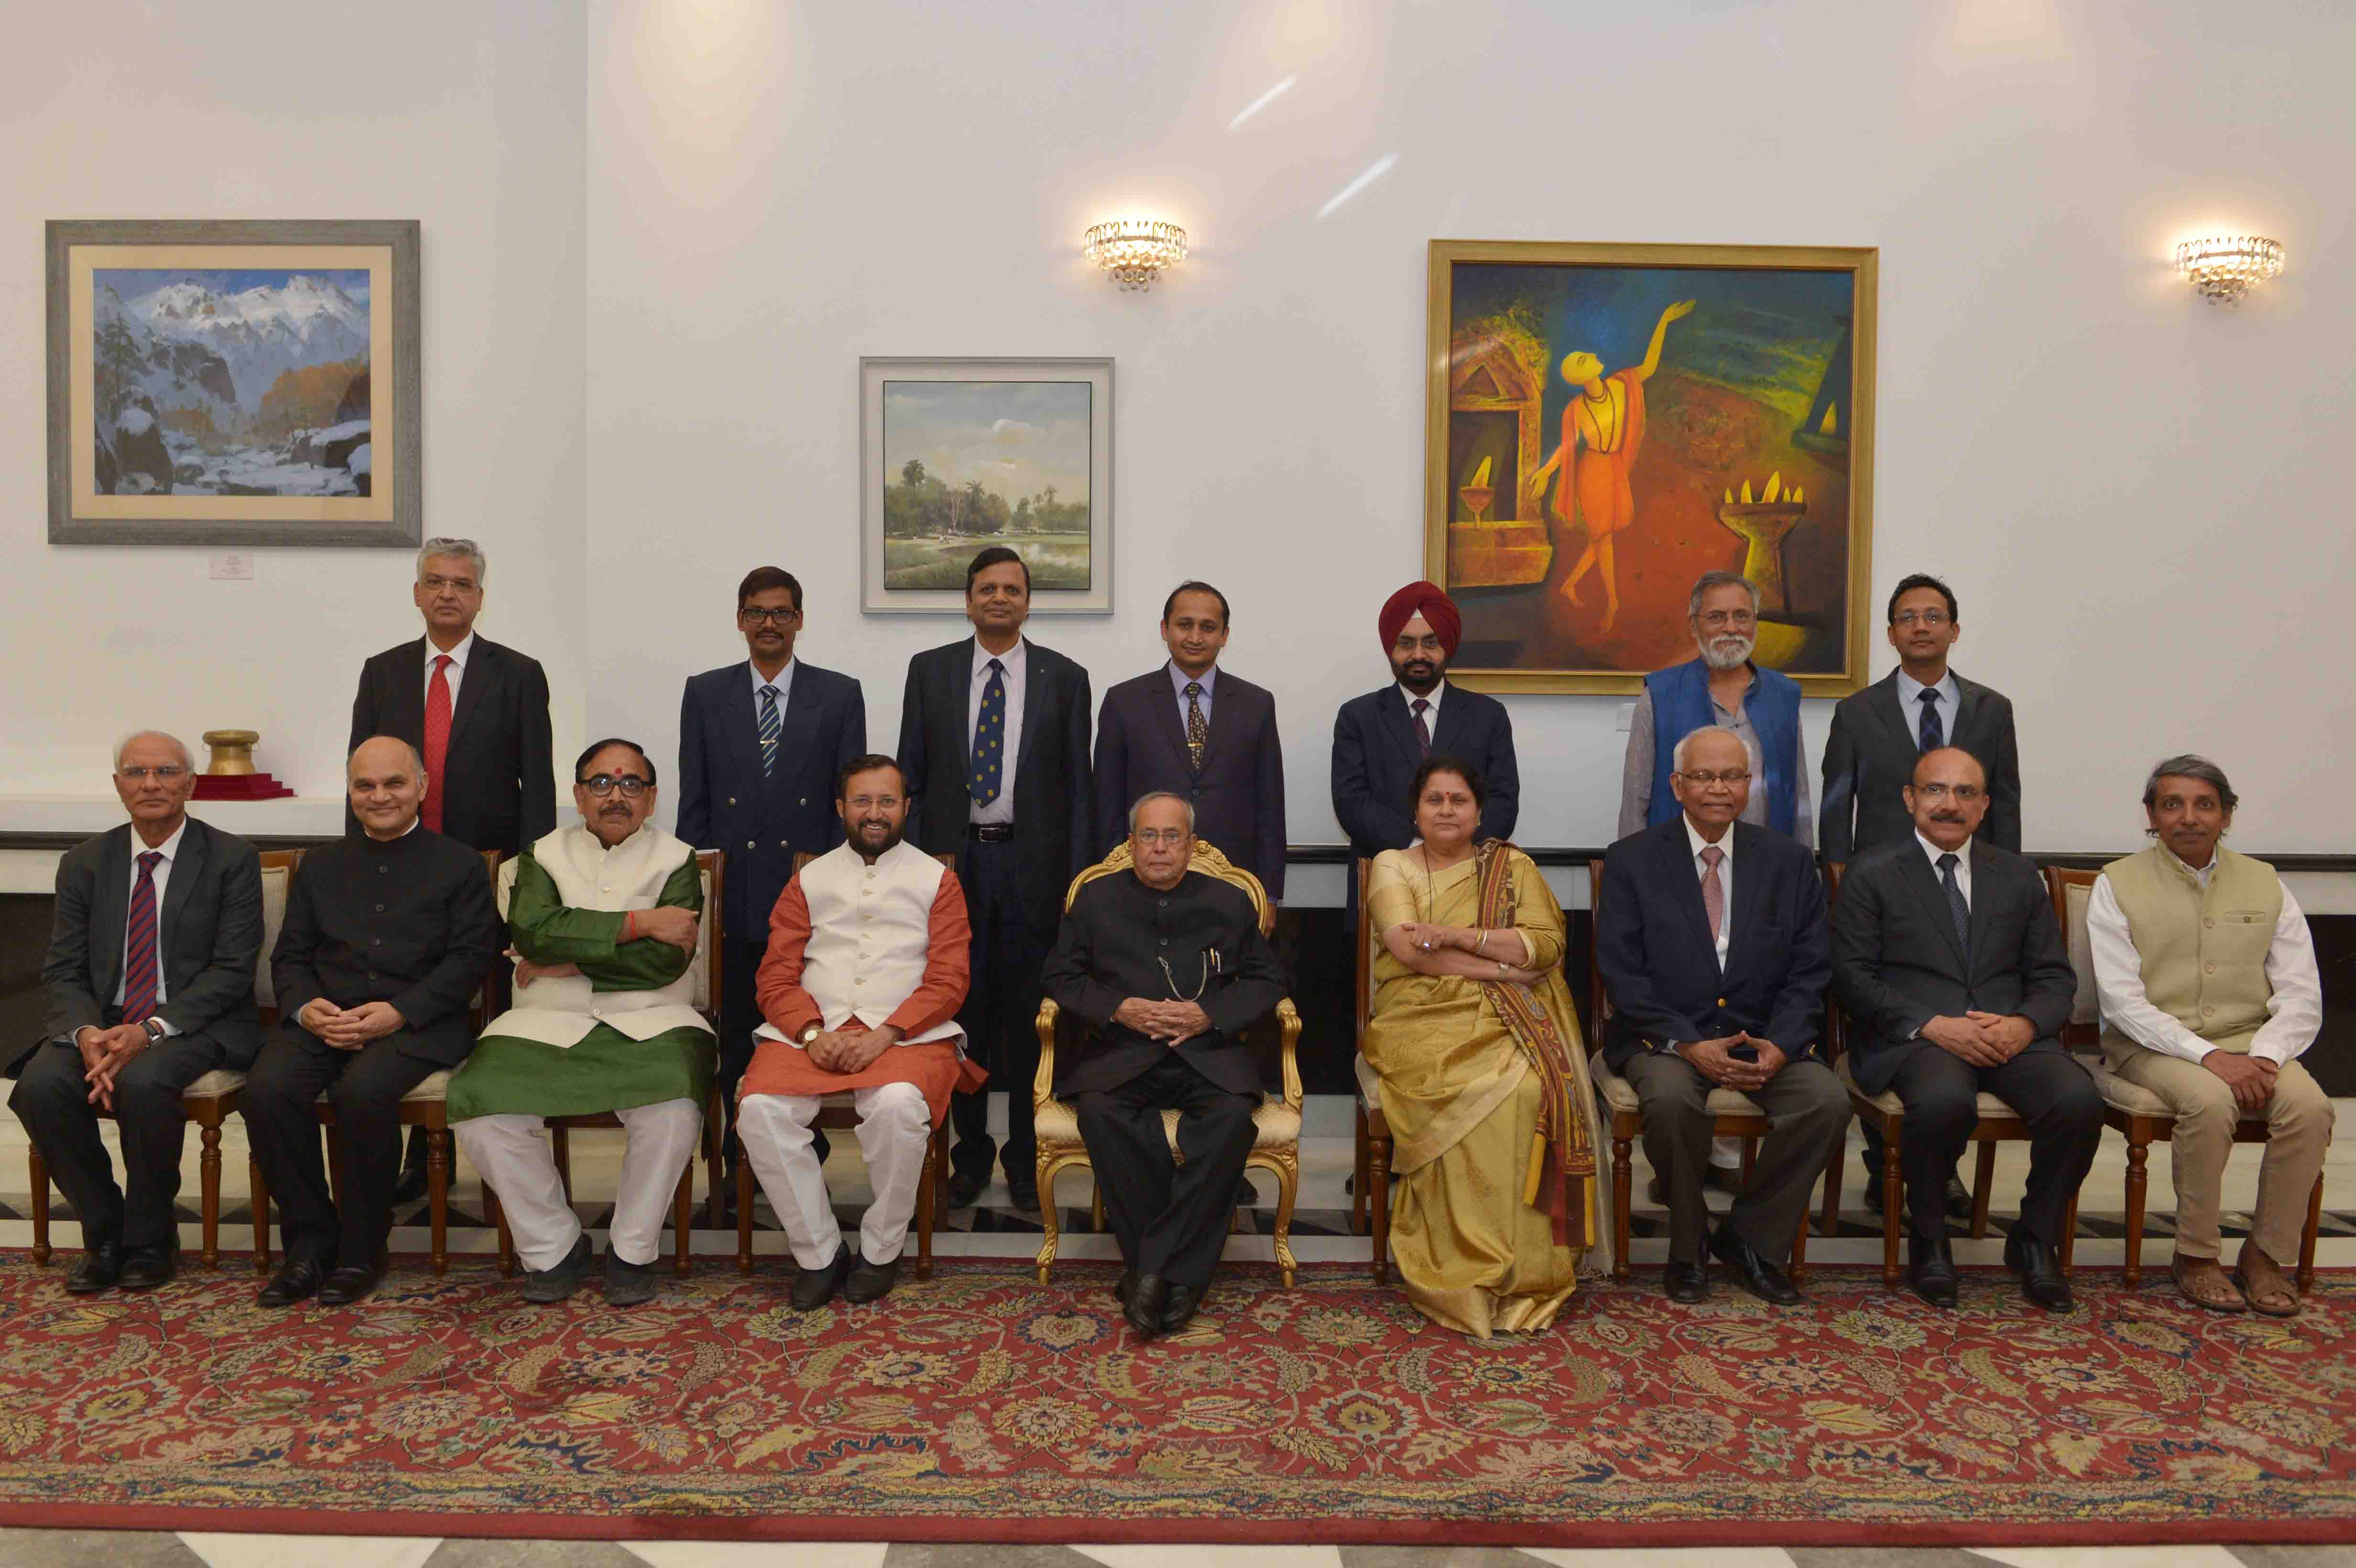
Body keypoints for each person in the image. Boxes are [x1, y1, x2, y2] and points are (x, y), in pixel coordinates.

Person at [1831, 747, 2099, 1311]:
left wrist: (2025, 1024)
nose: (1947, 805)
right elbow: (1850, 978)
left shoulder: (2017, 876)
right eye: (1934, 790)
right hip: (1916, 1035)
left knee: (2077, 1101)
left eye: (1963, 793)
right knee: (1942, 1101)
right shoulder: (1871, 872)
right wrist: (1929, 1023)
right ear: (1909, 799)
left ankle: (2032, 1239)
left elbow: (2052, 976)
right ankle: (1929, 1238)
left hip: (2007, 1032)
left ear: (1982, 807)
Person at [449, 740, 714, 1306]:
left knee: (672, 1107)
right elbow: (532, 932)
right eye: (600, 783)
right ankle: (553, 1245)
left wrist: (564, 959)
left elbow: (667, 961)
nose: (615, 796)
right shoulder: (543, 855)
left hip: (654, 1017)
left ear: (651, 798)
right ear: (577, 795)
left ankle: (632, 1249)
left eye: (631, 785)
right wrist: (642, 922)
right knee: (479, 1102)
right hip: (546, 1017)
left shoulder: (678, 857)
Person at [242, 737, 501, 1308]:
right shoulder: (320, 864)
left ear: (422, 788)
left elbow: (469, 960)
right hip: (326, 1019)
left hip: (419, 1024)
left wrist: (398, 1012)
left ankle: (361, 1249)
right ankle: (310, 1244)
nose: (380, 796)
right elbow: (290, 956)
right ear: (351, 792)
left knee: (363, 1089)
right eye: (365, 785)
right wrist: (307, 1007)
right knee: (266, 1088)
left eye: (394, 783)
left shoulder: (460, 864)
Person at [1594, 727, 1848, 1305]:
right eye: (1704, 776)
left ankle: (1751, 1238)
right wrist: (1684, 1043)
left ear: (1749, 785)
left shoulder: (1786, 862)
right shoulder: (1632, 861)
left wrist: (1781, 1044)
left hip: (1763, 1037)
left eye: (1732, 776)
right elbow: (1622, 974)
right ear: (1676, 786)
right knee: (1668, 1100)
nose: (1718, 789)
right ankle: (1687, 1248)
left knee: (1826, 1101)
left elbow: (1810, 971)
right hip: (1663, 1039)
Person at [8, 732, 262, 1294]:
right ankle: (105, 1232)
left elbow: (232, 970)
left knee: (145, 1083)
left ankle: (151, 1239)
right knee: (40, 1086)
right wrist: (87, 1032)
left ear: (191, 784)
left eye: (167, 771)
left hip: (195, 1021)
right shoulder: (84, 863)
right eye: (136, 772)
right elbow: (65, 968)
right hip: (104, 1019)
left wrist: (149, 1030)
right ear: (118, 785)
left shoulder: (231, 859)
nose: (151, 784)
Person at [1360, 755, 1604, 1336]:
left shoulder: (1510, 866)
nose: (1446, 810)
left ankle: (1525, 1266)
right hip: (1415, 1016)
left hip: (1509, 1018)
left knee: (1528, 1089)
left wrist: (1462, 937)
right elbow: (1406, 950)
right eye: (1434, 800)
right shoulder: (1392, 865)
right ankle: (1460, 1262)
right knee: (1457, 1086)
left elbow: (1543, 947)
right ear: (1415, 811)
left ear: (1478, 811)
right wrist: (1498, 968)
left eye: (1458, 800)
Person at [2088, 755, 2333, 1317]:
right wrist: (2210, 1056)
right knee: (2207, 1097)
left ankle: (2265, 1255)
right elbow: (2121, 1002)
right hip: (2151, 1045)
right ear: (2150, 815)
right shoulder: (2115, 883)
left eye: (2204, 804)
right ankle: (2195, 1255)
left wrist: (2265, 1056)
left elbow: (2300, 992)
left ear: (2226, 815)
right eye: (2170, 804)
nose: (2188, 817)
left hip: (2253, 1042)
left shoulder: (2266, 882)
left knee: (2310, 1107)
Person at [349, 536, 554, 1203]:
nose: (447, 594)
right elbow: (360, 777)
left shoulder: (518, 673)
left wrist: (531, 887)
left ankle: (499, 1151)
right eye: (435, 582)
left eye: (461, 585)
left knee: (489, 1010)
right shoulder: (382, 672)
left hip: (484, 874)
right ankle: (415, 1152)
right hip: (398, 872)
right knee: (405, 1005)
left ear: (479, 598)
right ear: (417, 593)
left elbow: (538, 788)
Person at [1041, 792, 1288, 1339]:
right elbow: (1061, 977)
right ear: (1130, 844)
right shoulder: (1095, 900)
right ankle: (1183, 1277)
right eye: (1148, 837)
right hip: (1122, 1054)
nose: (1159, 848)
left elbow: (1267, 980)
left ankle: (1150, 1272)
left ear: (1191, 844)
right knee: (1103, 1115)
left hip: (1207, 1055)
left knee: (1228, 1123)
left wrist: (1209, 1014)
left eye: (1171, 837)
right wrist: (1118, 1009)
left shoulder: (1229, 901)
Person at [897, 545, 1092, 1211]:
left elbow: (1080, 794)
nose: (1000, 598)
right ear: (970, 598)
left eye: (1012, 588)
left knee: (1028, 1015)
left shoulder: (1066, 678)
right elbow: (911, 779)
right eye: (987, 588)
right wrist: (930, 855)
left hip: (1032, 867)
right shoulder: (930, 673)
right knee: (963, 1010)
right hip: (954, 866)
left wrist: (1076, 886)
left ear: (1028, 600)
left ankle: (1023, 1155)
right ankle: (970, 1155)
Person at [738, 756, 971, 1310]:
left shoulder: (938, 880)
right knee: (759, 1111)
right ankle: (818, 1251)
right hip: (811, 1031)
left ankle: (880, 1249)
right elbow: (775, 974)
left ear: (906, 808)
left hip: (908, 1034)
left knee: (896, 1108)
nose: (874, 813)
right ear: (841, 808)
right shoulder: (808, 878)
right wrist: (811, 1031)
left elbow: (949, 979)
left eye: (887, 801)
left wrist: (887, 1031)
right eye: (862, 801)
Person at [1822, 573, 2019, 1220]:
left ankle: (1943, 1168)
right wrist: (1839, 877)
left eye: (1935, 616)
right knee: (1888, 1024)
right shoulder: (1857, 712)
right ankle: (1886, 1164)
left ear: (1954, 630)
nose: (1922, 627)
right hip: (1884, 897)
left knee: (1964, 1018)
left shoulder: (1993, 710)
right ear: (1891, 634)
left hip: (1966, 896)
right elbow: (1835, 804)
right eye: (1908, 617)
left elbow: (2006, 808)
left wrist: (2007, 884)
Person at [1620, 570, 1814, 1191]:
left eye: (1741, 618)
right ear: (1694, 624)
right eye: (1716, 617)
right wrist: (1629, 879)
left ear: (1754, 625)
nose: (1730, 629)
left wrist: (1805, 874)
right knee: (1692, 1006)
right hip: (1679, 883)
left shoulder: (1783, 694)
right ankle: (1685, 1158)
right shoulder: (1660, 691)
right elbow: (1637, 793)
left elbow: (1800, 793)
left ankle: (1734, 1161)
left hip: (1763, 886)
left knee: (1748, 1003)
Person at [676, 566, 865, 1184]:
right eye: (756, 612)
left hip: (806, 899)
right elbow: (694, 806)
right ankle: (739, 1149)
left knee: (801, 1023)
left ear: (799, 621)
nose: (768, 624)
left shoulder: (839, 696)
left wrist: (843, 896)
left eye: (781, 613)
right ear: (739, 619)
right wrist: (697, 898)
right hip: (733, 895)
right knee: (734, 1033)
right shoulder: (705, 694)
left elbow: (848, 806)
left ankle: (800, 1140)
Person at [1092, 580, 1287, 898]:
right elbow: (1107, 803)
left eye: (1208, 627)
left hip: (1234, 882)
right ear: (1165, 629)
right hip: (1142, 881)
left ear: (1225, 636)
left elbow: (1270, 807)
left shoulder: (1257, 704)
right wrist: (1113, 883)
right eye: (1185, 625)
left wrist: (1269, 894)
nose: (1195, 637)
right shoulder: (1124, 702)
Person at [1332, 580, 1520, 897]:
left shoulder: (1489, 716)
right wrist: (1419, 850)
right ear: (1390, 648)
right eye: (1406, 643)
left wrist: (1454, 854)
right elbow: (1352, 802)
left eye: (1430, 643)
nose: (1418, 654)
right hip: (1384, 883)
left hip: (1469, 885)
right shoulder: (1358, 717)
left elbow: (1503, 801)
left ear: (1448, 646)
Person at [1525, 297, 1697, 632]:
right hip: (1593, 472)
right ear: (1580, 375)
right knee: (1603, 538)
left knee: (1605, 535)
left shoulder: (1623, 384)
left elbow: (1650, 366)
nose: (1592, 356)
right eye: (1583, 359)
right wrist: (1546, 471)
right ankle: (1613, 604)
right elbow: (1566, 448)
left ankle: (1570, 585)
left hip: (1616, 469)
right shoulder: (1575, 409)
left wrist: (1664, 320)